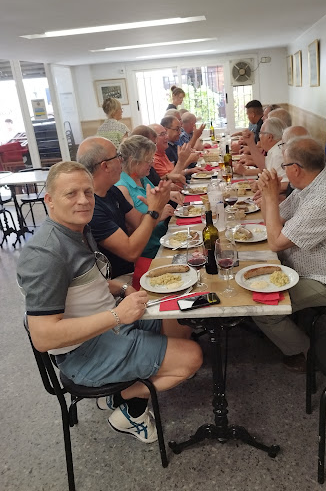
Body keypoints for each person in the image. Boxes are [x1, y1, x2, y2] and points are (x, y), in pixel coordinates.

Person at [17, 161, 202, 443]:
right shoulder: (45, 255)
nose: (83, 201)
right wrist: (117, 316)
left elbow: (82, 283)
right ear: (49, 201)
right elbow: (43, 337)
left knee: (178, 319)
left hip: (107, 326)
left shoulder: (77, 230)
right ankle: (125, 405)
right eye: (71, 194)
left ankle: (120, 394)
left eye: (88, 193)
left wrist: (121, 288)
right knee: (192, 357)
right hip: (82, 354)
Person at [253, 137, 326, 372]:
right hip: (312, 268)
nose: (283, 171)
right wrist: (268, 195)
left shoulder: (324, 198)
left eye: (284, 165)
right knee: (259, 281)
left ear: (295, 169)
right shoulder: (311, 185)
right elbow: (273, 220)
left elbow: (275, 242)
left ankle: (309, 354)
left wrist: (270, 196)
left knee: (263, 309)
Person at [76, 136, 171, 282]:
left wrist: (156, 206)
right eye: (117, 156)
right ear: (105, 166)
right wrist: (154, 210)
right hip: (117, 281)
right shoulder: (91, 208)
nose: (122, 160)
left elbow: (139, 223)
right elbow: (131, 252)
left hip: (132, 270)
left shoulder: (112, 191)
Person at [116, 135, 174, 258]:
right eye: (148, 160)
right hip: (150, 252)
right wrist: (159, 215)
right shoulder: (122, 188)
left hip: (164, 240)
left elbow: (156, 201)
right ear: (133, 161)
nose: (152, 164)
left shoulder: (142, 178)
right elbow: (131, 230)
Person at [234, 117, 288, 183]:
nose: (259, 136)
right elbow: (264, 166)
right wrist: (250, 143)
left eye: (261, 133)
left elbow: (284, 184)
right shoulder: (275, 149)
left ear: (269, 137)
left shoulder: (279, 154)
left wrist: (259, 186)